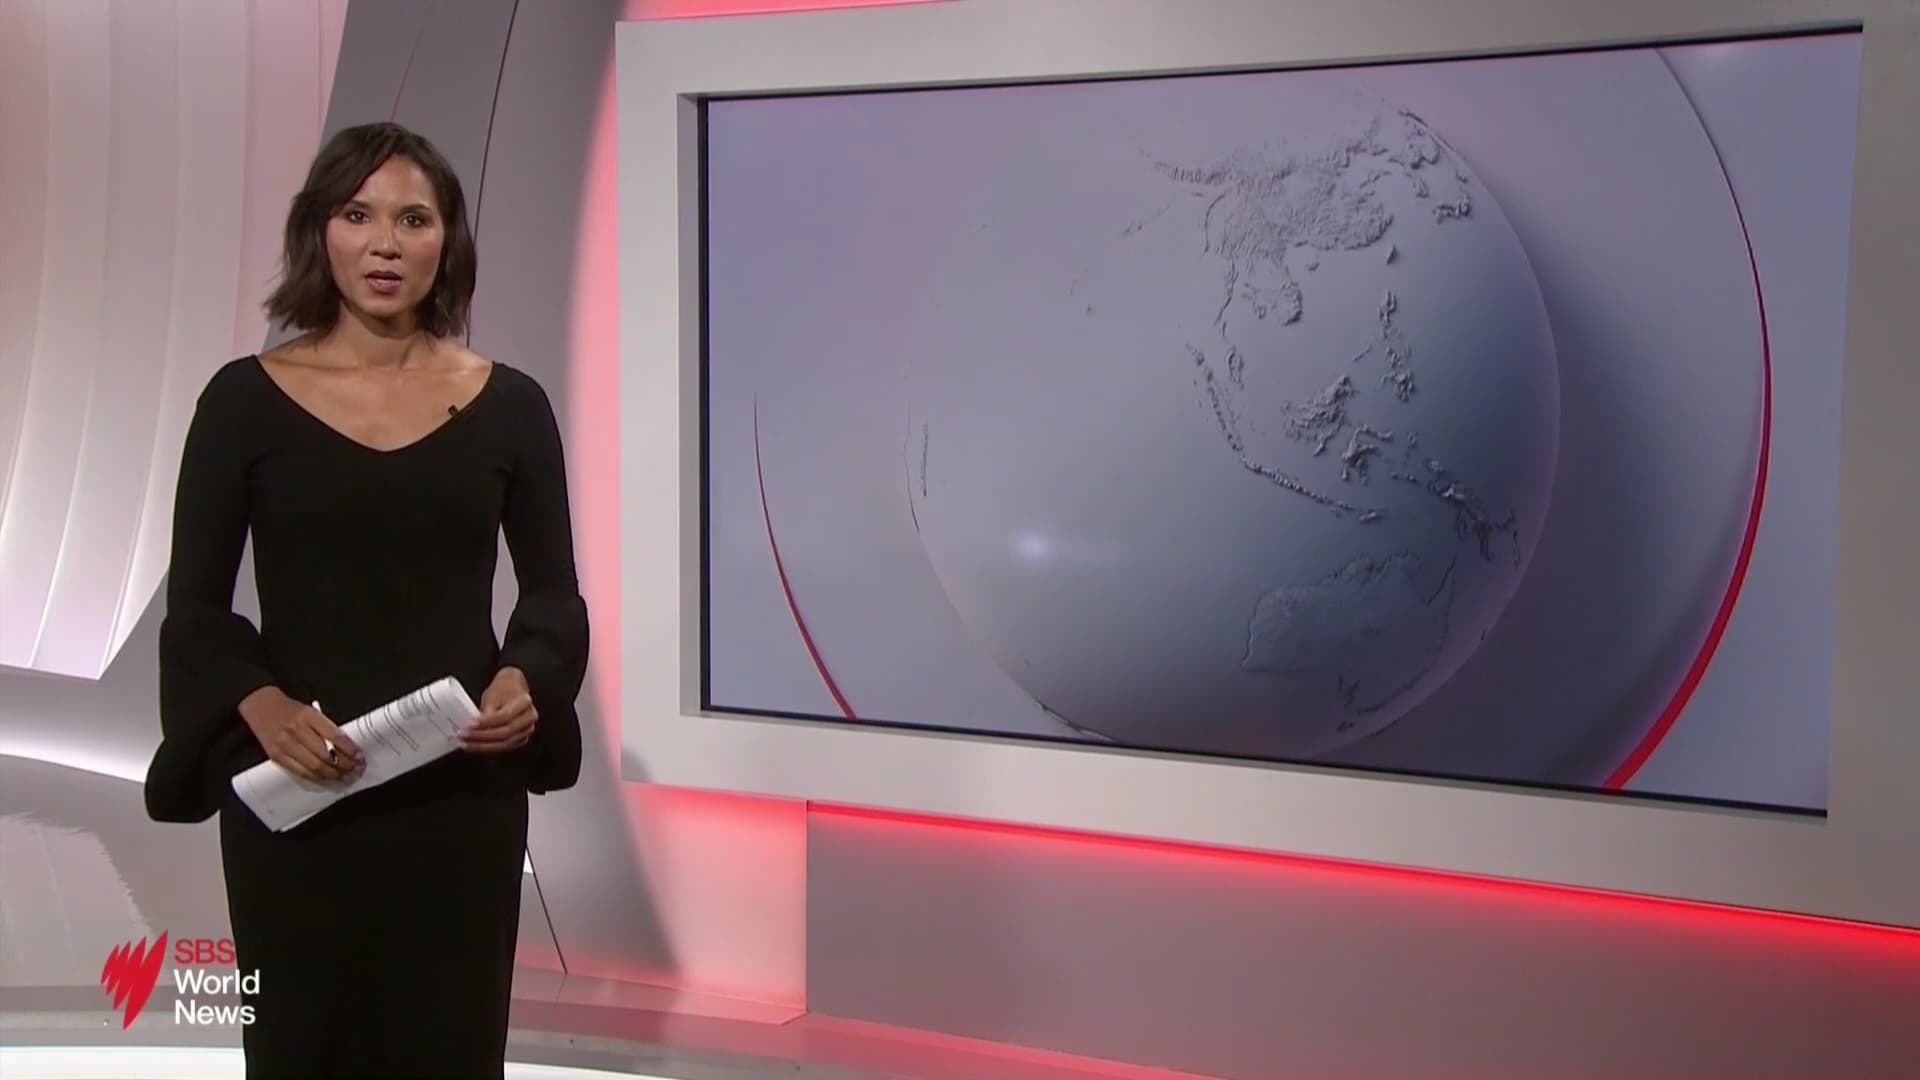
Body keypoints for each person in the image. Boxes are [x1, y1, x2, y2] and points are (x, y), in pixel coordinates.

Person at [142, 121, 588, 1078]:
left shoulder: (511, 407)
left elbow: (553, 595)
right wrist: (260, 705)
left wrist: (527, 678)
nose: (385, 244)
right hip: (301, 793)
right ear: (321, 231)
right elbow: (198, 609)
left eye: (413, 219)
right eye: (358, 215)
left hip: (458, 800)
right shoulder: (242, 402)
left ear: (447, 241)